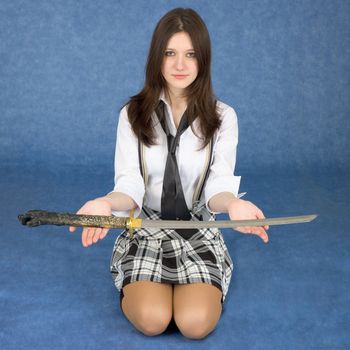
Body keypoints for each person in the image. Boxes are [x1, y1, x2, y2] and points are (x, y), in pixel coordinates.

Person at [69, 8, 269, 340]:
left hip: (197, 228)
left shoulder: (223, 117)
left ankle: (189, 285)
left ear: (203, 59)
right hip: (146, 227)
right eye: (170, 53)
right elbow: (130, 183)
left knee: (195, 324)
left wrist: (233, 204)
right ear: (156, 58)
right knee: (152, 320)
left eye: (190, 54)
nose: (180, 65)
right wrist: (104, 202)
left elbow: (216, 186)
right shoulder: (132, 115)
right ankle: (140, 283)